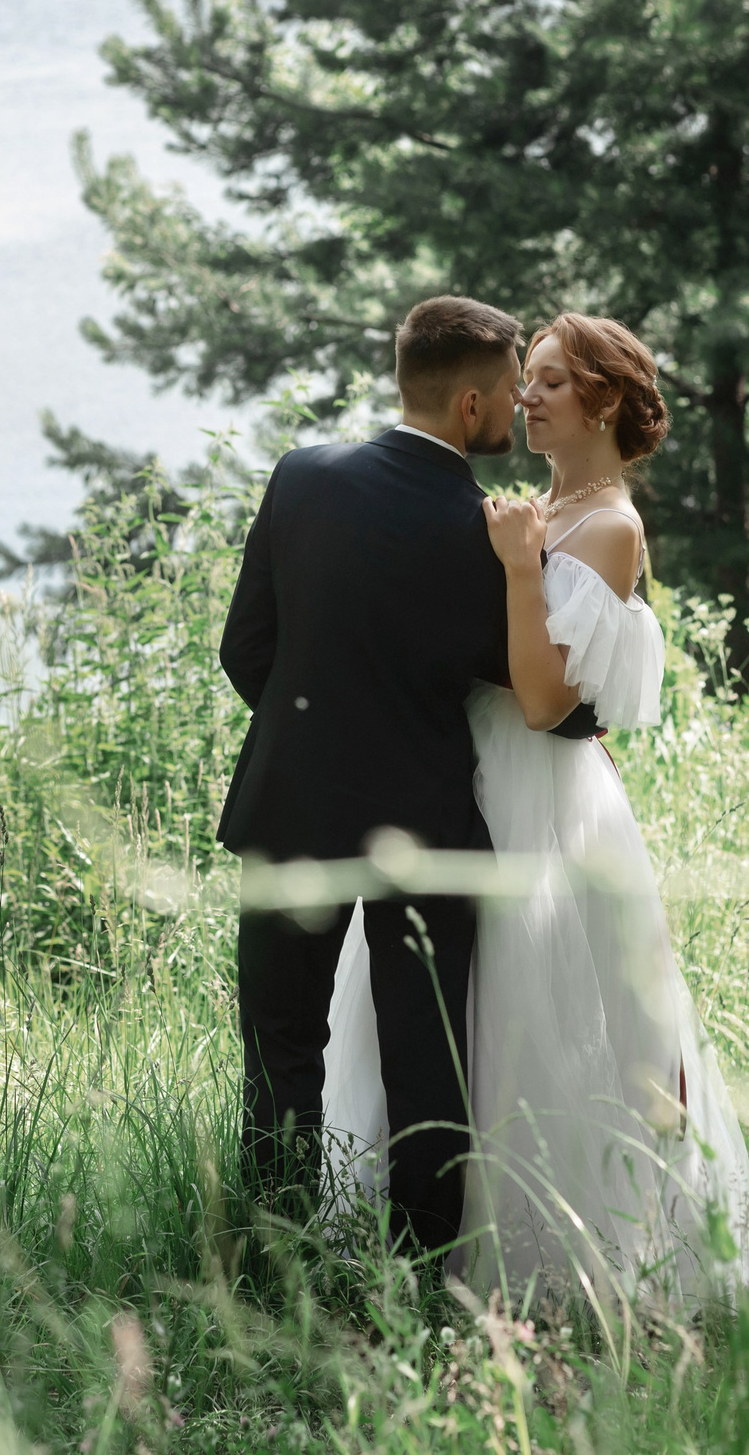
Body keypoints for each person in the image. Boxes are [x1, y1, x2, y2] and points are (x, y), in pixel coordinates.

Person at [320, 312, 749, 1309]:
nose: (528, 395)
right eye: (531, 379)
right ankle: (412, 1238)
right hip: (463, 779)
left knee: (541, 1008)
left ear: (602, 400)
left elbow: (546, 701)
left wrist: (519, 566)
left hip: (542, 799)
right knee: (446, 1012)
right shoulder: (537, 508)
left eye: (552, 381)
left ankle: (554, 1264)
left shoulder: (609, 527)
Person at [216, 296, 602, 1263]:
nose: (519, 405)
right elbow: (533, 693)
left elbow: (243, 650)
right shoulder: (489, 533)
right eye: (512, 389)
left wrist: (321, 735)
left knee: (280, 1048)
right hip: (421, 830)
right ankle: (422, 1271)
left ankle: (273, 1254)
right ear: (470, 405)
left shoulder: (300, 476)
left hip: (290, 805)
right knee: (428, 1060)